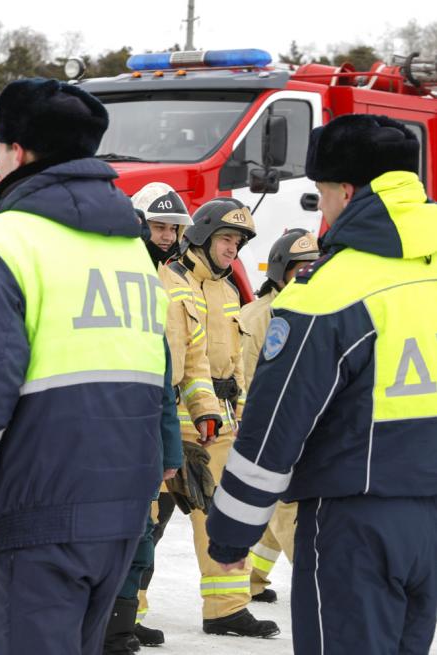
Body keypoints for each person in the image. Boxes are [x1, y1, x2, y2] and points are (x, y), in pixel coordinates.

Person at [0, 78, 170, 655]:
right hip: (123, 509)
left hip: (40, 510)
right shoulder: (131, 248)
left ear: (17, 151)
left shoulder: (4, 242)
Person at [207, 114, 437, 654]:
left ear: (348, 191)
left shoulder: (326, 293)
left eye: (322, 192)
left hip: (355, 523)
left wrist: (233, 531)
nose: (322, 208)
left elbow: (275, 425)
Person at [154, 196, 279, 638]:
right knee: (144, 524)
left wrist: (242, 412)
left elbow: (236, 364)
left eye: (239, 242)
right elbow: (184, 361)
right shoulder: (168, 282)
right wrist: (196, 413)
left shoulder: (228, 290)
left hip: (217, 426)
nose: (233, 249)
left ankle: (226, 608)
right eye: (227, 238)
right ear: (203, 237)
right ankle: (123, 614)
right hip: (172, 423)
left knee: (224, 521)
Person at [98, 184, 190, 655]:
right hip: (103, 431)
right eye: (159, 226)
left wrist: (170, 449)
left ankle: (120, 627)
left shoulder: (166, 284)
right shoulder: (109, 280)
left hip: (148, 428)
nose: (167, 235)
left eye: (174, 228)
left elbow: (164, 376)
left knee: (141, 538)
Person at [237, 228, 319, 603]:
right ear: (281, 271)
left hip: (308, 427)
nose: (309, 275)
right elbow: (247, 379)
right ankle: (319, 584)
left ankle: (253, 576)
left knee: (279, 509)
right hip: (276, 430)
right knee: (290, 511)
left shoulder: (320, 310)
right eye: (300, 269)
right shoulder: (258, 318)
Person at [133, 181, 192, 268]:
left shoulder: (175, 274)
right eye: (160, 227)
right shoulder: (120, 263)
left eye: (173, 228)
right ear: (139, 226)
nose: (168, 237)